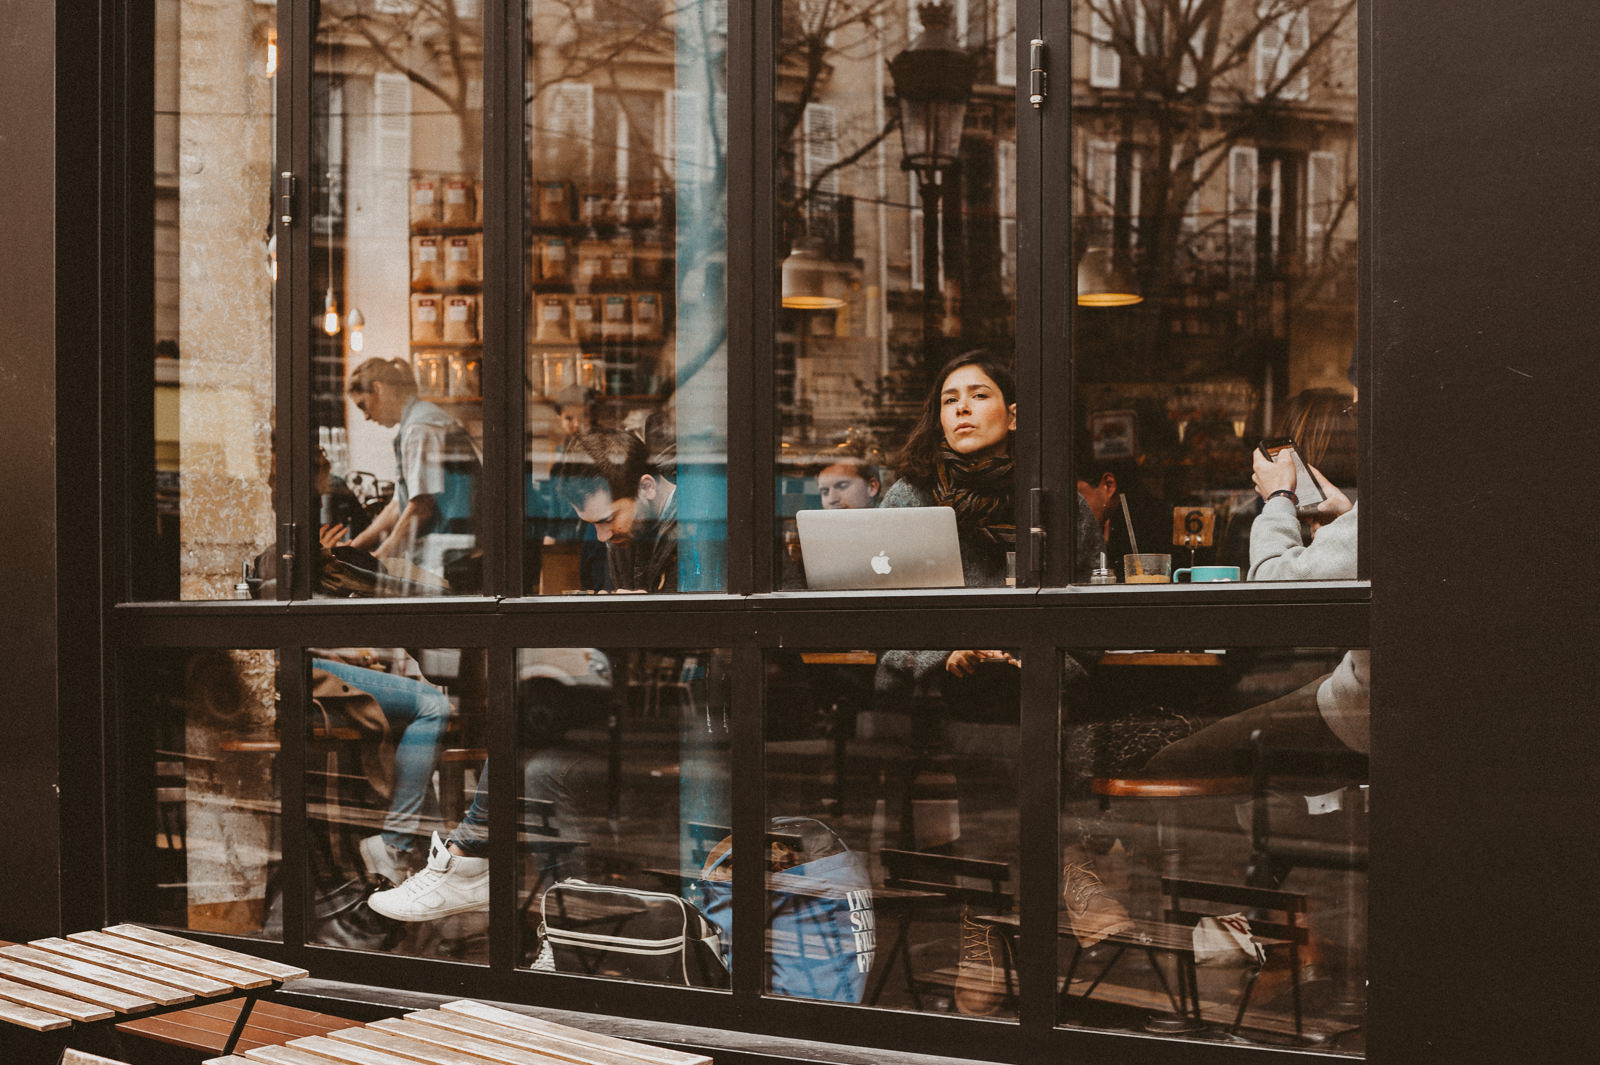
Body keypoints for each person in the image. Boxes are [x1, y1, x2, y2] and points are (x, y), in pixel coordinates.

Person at [1144, 426, 1367, 770]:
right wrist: (1346, 520)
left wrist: (1279, 497)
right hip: (1359, 692)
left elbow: (1273, 596)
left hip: (1361, 712)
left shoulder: (1396, 500)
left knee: (1169, 764)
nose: (1356, 418)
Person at [343, 358, 480, 590]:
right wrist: (352, 550)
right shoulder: (414, 424)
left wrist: (378, 560)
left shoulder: (421, 427)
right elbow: (399, 505)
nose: (366, 416)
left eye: (363, 405)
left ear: (378, 389)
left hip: (456, 558)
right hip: (449, 554)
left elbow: (420, 508)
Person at [555, 427, 679, 593]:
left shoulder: (702, 530)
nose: (602, 536)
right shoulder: (624, 538)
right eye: (592, 524)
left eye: (608, 520)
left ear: (646, 487)